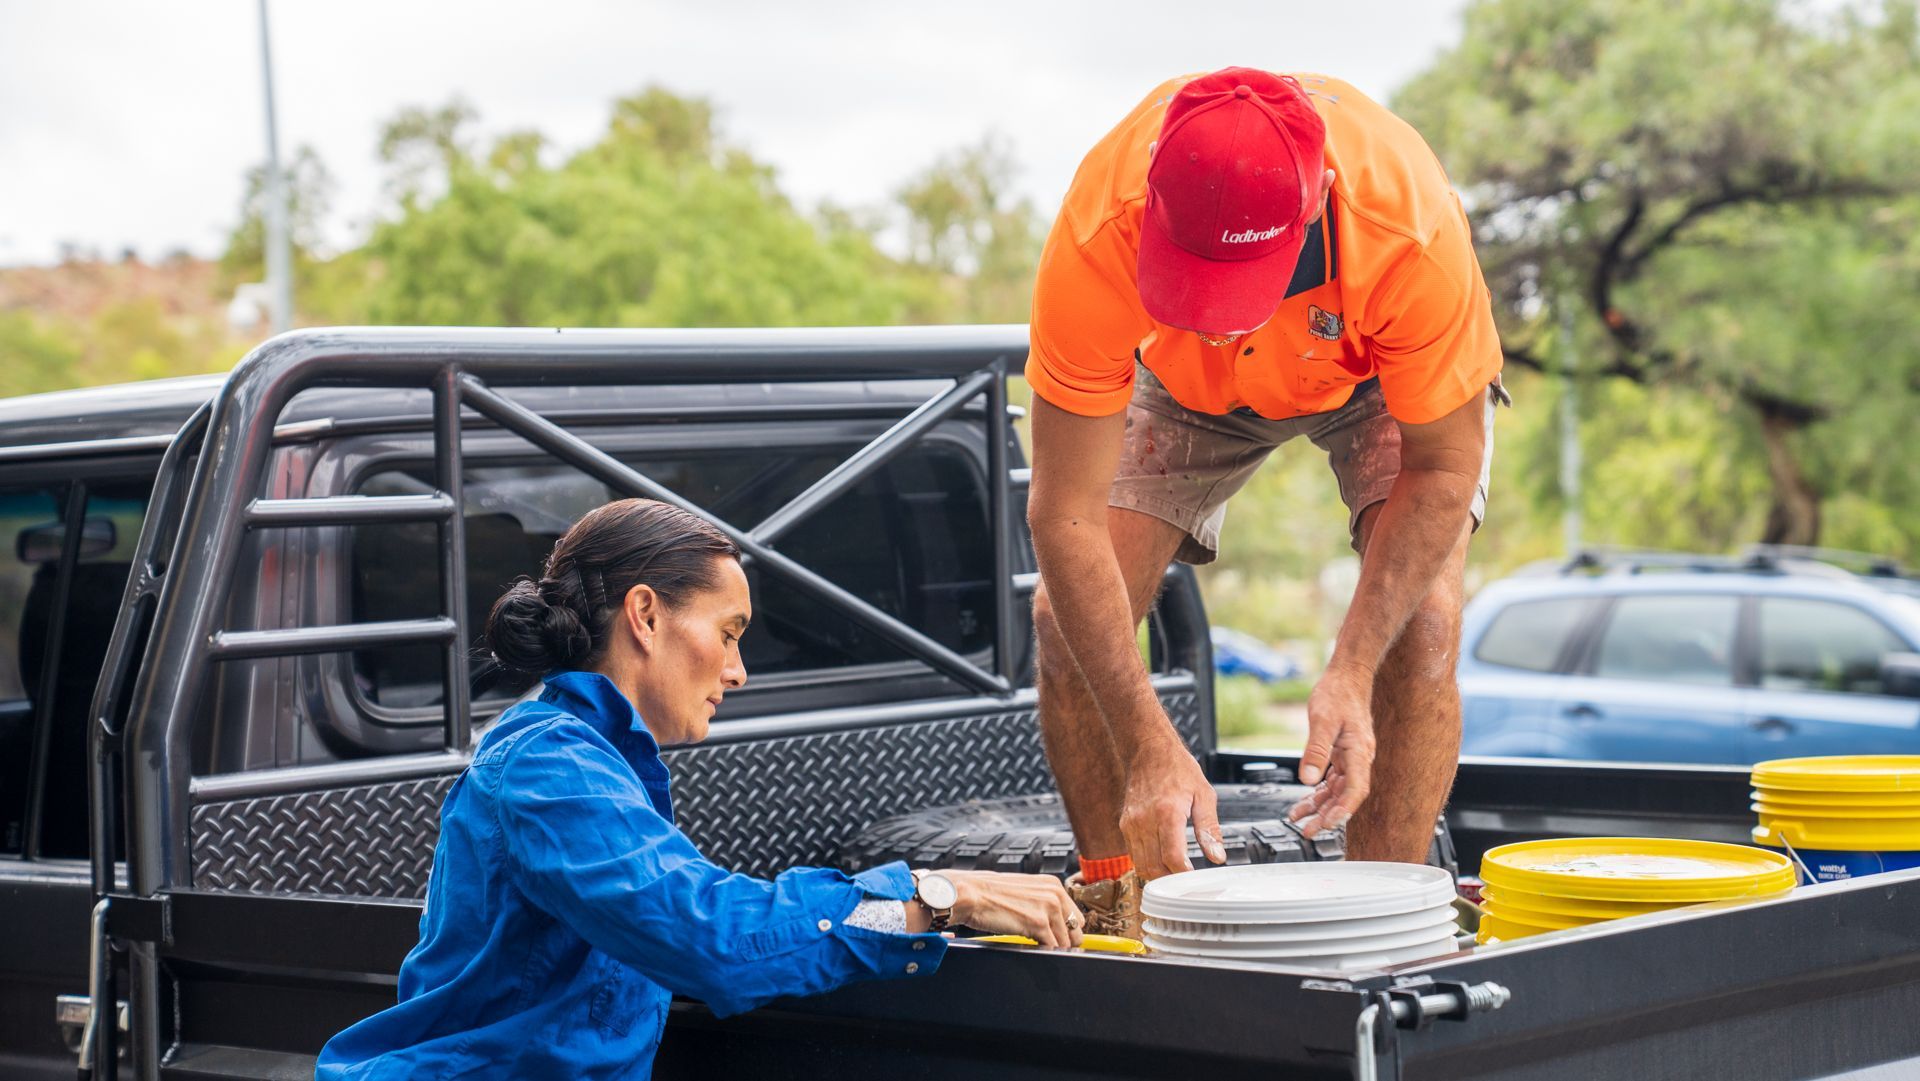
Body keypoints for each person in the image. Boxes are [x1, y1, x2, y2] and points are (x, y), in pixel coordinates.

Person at [317, 498, 1081, 1079]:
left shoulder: (594, 760)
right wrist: (941, 895)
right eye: (729, 631)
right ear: (646, 615)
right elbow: (715, 937)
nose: (739, 670)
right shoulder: (549, 768)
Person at [1025, 67, 1505, 934]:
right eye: (1191, 278)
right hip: (1178, 386)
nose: (1216, 316)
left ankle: (1380, 922)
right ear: (1153, 192)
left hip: (1371, 375)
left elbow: (1443, 469)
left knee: (1423, 626)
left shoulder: (1409, 226)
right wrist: (1145, 742)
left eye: (1234, 283)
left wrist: (1351, 671)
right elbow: (1061, 512)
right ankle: (1114, 899)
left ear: (1318, 198)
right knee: (1065, 621)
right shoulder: (1101, 222)